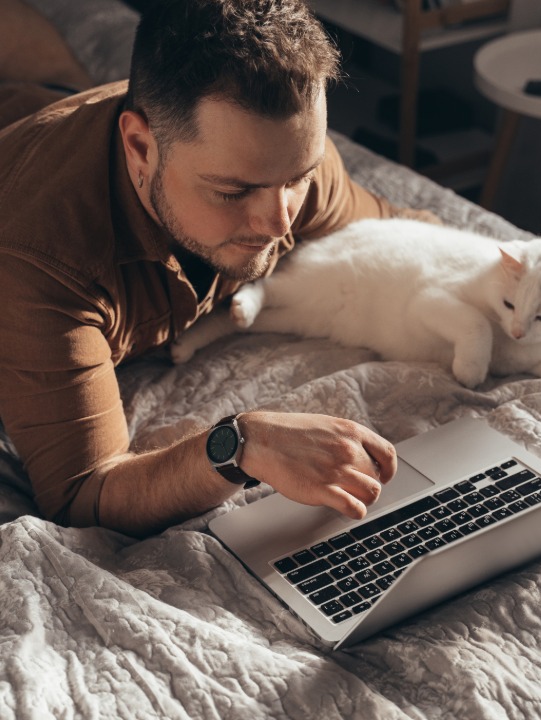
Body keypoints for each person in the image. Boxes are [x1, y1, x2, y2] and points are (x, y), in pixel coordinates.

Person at [0, 0, 453, 536]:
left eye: (297, 179)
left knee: (53, 81)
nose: (279, 221)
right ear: (140, 147)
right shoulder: (39, 259)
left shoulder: (280, 159)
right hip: (27, 151)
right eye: (232, 192)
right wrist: (239, 444)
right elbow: (85, 492)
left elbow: (399, 225)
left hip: (66, 112)